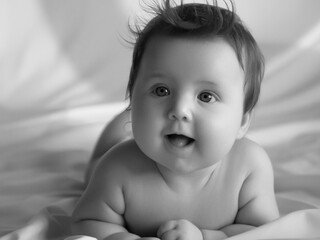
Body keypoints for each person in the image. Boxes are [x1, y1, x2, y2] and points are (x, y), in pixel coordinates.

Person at [71, 0, 280, 239]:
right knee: (96, 167)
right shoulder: (117, 168)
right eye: (161, 90)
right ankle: (119, 126)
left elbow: (264, 232)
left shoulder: (249, 167)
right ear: (133, 97)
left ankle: (125, 122)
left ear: (242, 122)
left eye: (206, 96)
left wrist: (204, 236)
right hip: (111, 156)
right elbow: (87, 221)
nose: (180, 109)